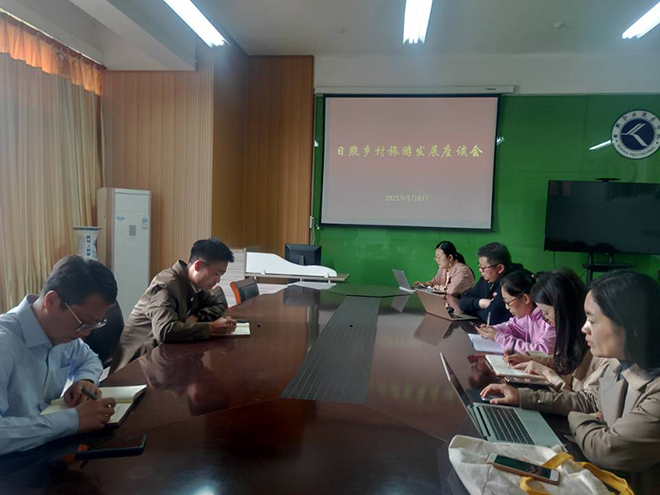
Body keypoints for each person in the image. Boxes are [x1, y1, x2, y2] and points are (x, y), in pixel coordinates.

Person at [481, 271, 660, 494]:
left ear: (633, 326)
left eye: (592, 320)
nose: (584, 328)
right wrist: (523, 397)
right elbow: (589, 401)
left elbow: (607, 450)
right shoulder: (619, 365)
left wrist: (579, 418)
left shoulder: (654, 390)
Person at [0, 255, 118, 454]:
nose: (86, 333)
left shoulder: (63, 334)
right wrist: (73, 420)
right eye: (83, 322)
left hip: (48, 448)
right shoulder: (5, 345)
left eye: (95, 323)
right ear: (51, 301)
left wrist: (85, 380)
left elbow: (89, 359)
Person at [110, 238, 237, 373]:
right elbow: (165, 331)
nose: (218, 280)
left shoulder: (194, 285)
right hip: (136, 367)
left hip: (163, 359)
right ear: (198, 266)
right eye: (216, 274)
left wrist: (198, 316)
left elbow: (218, 304)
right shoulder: (166, 286)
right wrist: (210, 328)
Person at [504, 269, 616, 391]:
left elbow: (583, 399)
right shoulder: (574, 337)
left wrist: (547, 372)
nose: (545, 319)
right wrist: (530, 358)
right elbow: (565, 362)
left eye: (546, 313)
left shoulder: (597, 348)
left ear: (564, 309)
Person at [476, 270, 556, 354]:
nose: (507, 307)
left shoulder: (550, 320)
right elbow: (512, 326)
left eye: (508, 303)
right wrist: (492, 330)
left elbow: (543, 351)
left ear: (525, 299)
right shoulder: (528, 315)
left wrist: (499, 337)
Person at [458, 242, 526, 324]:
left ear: (500, 268)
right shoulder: (487, 278)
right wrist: (482, 303)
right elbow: (463, 302)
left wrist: (474, 309)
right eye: (479, 266)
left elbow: (492, 317)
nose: (480, 270)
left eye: (483, 268)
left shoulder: (512, 283)